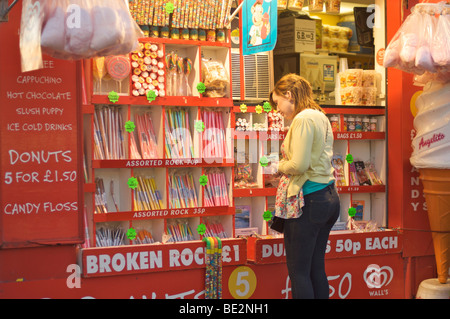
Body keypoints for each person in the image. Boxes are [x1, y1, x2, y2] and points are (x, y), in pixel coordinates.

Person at [269, 73, 340, 299]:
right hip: (328, 196)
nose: (277, 109)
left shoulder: (302, 119)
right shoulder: (320, 116)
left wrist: (277, 165)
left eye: (277, 101)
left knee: (298, 272)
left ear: (289, 95)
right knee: (315, 268)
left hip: (308, 200)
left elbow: (299, 164)